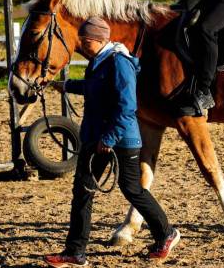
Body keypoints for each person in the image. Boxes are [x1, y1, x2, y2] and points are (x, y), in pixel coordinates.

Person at [43, 18, 179, 267]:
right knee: (83, 191)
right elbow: (96, 88)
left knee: (132, 189)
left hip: (119, 138)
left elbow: (127, 106)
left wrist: (109, 137)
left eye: (86, 41)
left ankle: (166, 233)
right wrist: (65, 86)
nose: (83, 46)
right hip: (97, 136)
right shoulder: (99, 61)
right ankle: (75, 251)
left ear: (99, 39)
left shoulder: (119, 63)